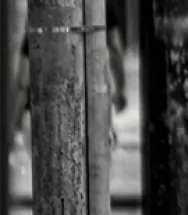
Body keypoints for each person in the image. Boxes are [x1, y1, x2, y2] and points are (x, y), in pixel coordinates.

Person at [13, 0, 126, 148]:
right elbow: (115, 50)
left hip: (43, 111)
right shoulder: (102, 5)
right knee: (95, 157)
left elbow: (23, 79)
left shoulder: (42, 7)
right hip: (91, 107)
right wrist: (120, 89)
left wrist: (17, 116)